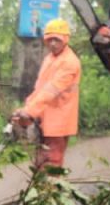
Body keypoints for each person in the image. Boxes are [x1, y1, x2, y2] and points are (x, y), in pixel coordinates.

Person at [12, 18, 82, 170]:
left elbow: (51, 90)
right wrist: (26, 108)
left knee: (51, 165)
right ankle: (42, 192)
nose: (53, 44)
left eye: (57, 40)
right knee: (40, 163)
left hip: (59, 121)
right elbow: (40, 88)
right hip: (44, 118)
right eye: (49, 40)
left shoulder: (70, 62)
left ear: (65, 39)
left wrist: (30, 112)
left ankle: (49, 192)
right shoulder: (50, 58)